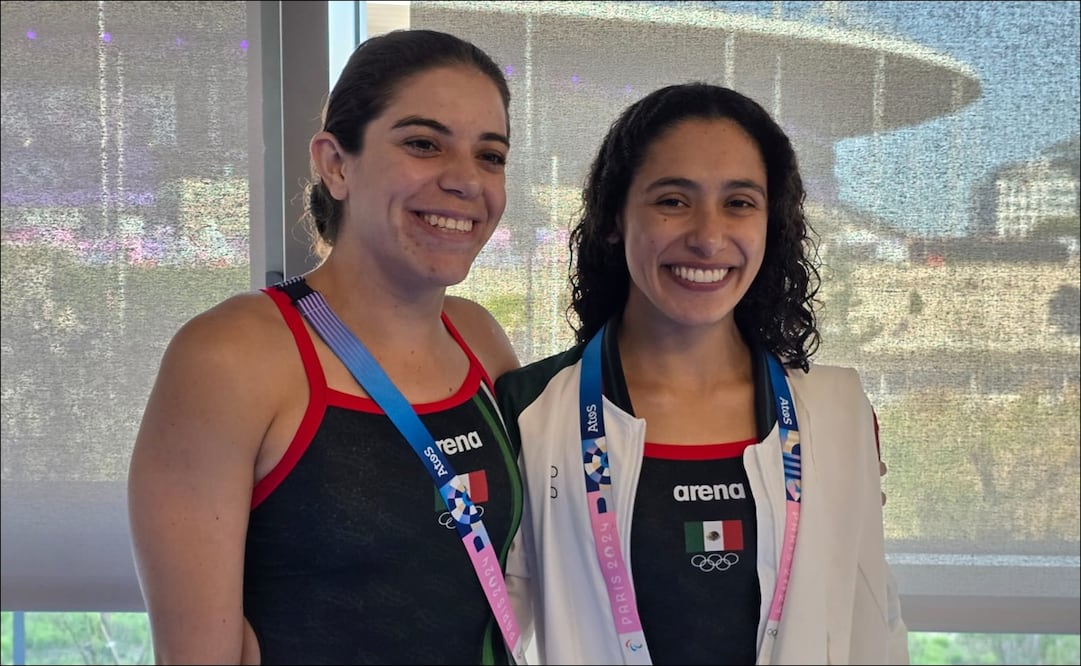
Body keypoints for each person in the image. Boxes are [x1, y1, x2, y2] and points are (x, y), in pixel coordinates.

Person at [128, 29, 532, 665]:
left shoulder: (479, 339)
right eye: (424, 144)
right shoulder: (230, 358)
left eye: (491, 156)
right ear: (336, 164)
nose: (465, 181)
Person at [497, 82, 908, 665]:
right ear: (615, 216)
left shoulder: (835, 414)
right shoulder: (532, 411)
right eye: (672, 200)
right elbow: (490, 633)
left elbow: (873, 624)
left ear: (772, 224)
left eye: (739, 202)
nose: (709, 237)